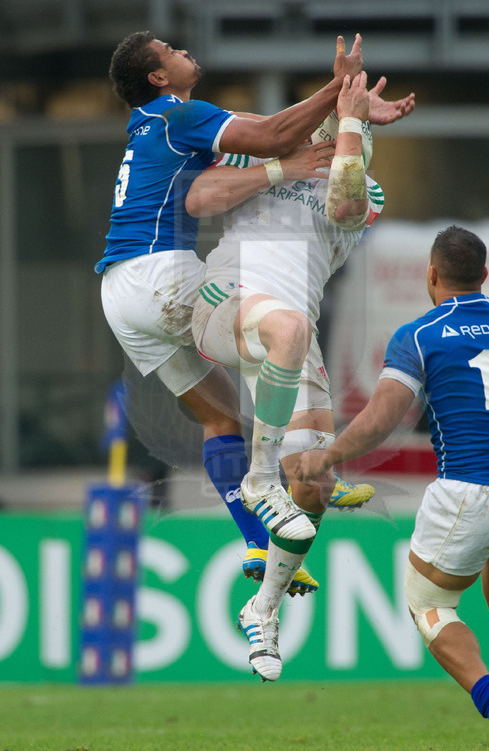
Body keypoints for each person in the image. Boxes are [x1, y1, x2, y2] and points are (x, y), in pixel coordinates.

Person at [96, 30, 414, 594]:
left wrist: (353, 119)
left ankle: (254, 540)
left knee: (221, 420)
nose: (183, 49)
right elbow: (270, 135)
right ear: (158, 77)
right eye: (170, 50)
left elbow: (281, 139)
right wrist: (338, 92)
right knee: (267, 333)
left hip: (120, 292)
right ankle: (284, 470)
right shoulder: (180, 115)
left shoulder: (160, 125)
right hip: (161, 274)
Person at [295, 226, 489, 751]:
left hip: (468, 490)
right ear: (484, 276)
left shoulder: (420, 334)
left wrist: (328, 454)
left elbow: (383, 417)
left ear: (430, 274)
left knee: (427, 602)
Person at [189, 70, 383, 681]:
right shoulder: (261, 155)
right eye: (329, 124)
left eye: (346, 131)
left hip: (292, 336)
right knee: (287, 331)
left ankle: (263, 611)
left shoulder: (364, 193)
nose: (329, 135)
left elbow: (348, 202)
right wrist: (285, 163)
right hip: (228, 299)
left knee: (315, 486)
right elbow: (202, 196)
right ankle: (258, 478)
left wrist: (351, 122)